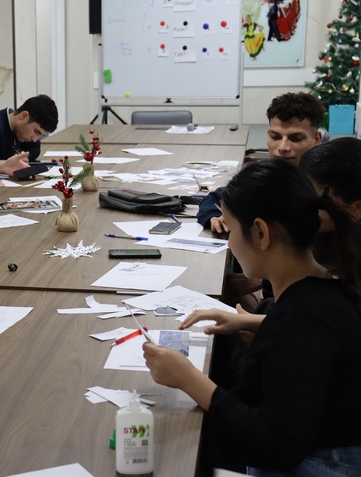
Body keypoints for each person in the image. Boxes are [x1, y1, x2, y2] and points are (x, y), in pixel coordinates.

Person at [144, 160, 361, 475]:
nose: (230, 242)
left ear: (261, 233)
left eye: (231, 230)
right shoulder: (325, 286)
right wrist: (254, 324)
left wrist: (189, 380)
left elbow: (276, 445)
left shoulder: (303, 317)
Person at [197, 91, 324, 234]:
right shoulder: (267, 175)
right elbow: (215, 197)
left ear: (316, 139)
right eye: (275, 137)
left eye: (296, 138)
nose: (283, 147)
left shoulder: (323, 185)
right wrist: (214, 218)